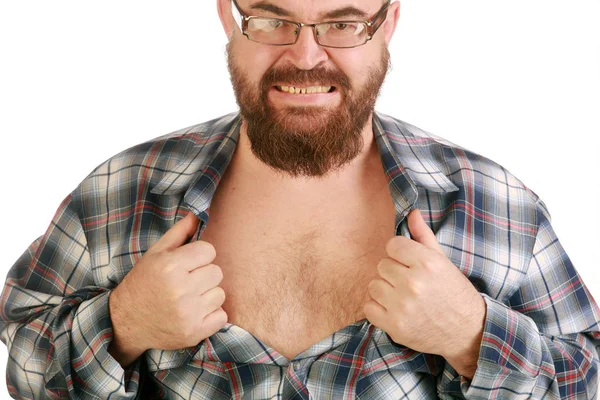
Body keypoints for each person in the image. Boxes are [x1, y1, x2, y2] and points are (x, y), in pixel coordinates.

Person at [1, 0, 599, 398]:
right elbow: (21, 356)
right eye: (271, 18)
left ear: (388, 22)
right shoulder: (120, 192)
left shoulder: (496, 206)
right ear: (227, 15)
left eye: (342, 22)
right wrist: (123, 324)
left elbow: (587, 377)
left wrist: (474, 337)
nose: (306, 56)